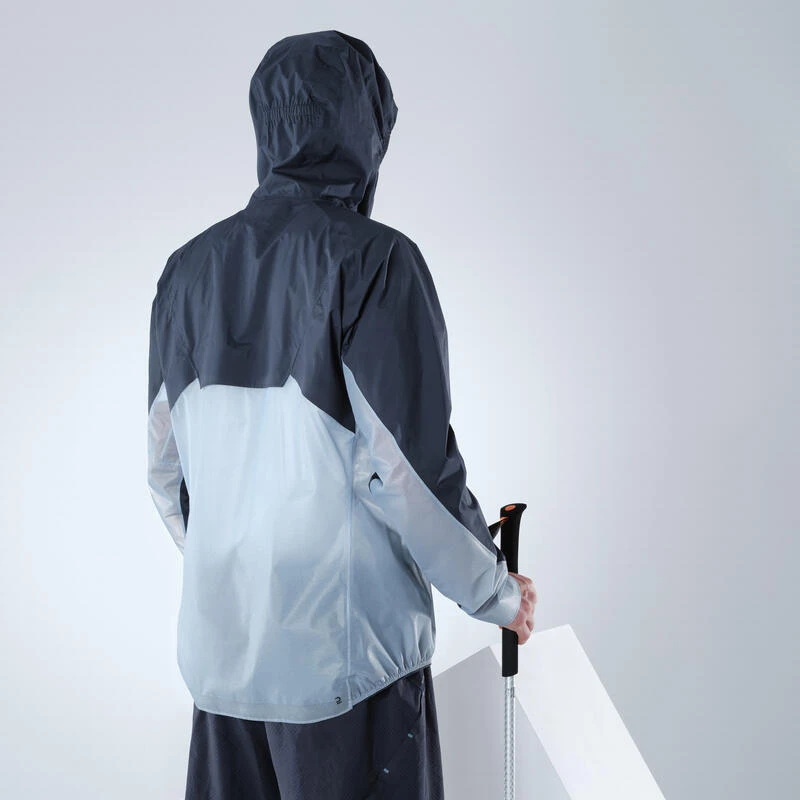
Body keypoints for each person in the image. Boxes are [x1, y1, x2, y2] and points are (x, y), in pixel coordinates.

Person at [146, 29, 537, 800]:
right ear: (366, 132)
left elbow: (168, 476)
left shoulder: (185, 274)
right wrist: (497, 594)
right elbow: (411, 474)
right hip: (347, 677)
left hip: (222, 669)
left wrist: (246, 570)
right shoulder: (375, 261)